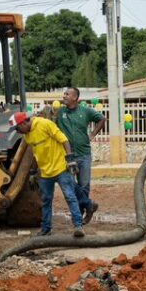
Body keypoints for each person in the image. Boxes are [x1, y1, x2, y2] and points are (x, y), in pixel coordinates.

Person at [10, 112, 84, 238]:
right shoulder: (27, 135)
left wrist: (70, 159)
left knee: (70, 196)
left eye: (17, 128)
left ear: (23, 123)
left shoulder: (45, 124)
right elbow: (35, 153)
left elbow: (64, 140)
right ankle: (46, 229)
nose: (17, 131)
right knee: (45, 201)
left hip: (61, 168)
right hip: (45, 172)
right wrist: (33, 171)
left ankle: (78, 226)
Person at [54, 87, 105, 224]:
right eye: (64, 93)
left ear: (75, 98)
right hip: (67, 156)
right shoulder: (60, 113)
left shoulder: (86, 111)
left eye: (67, 94)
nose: (64, 96)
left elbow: (101, 119)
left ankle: (83, 212)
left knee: (84, 185)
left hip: (84, 154)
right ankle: (86, 206)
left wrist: (93, 134)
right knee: (70, 185)